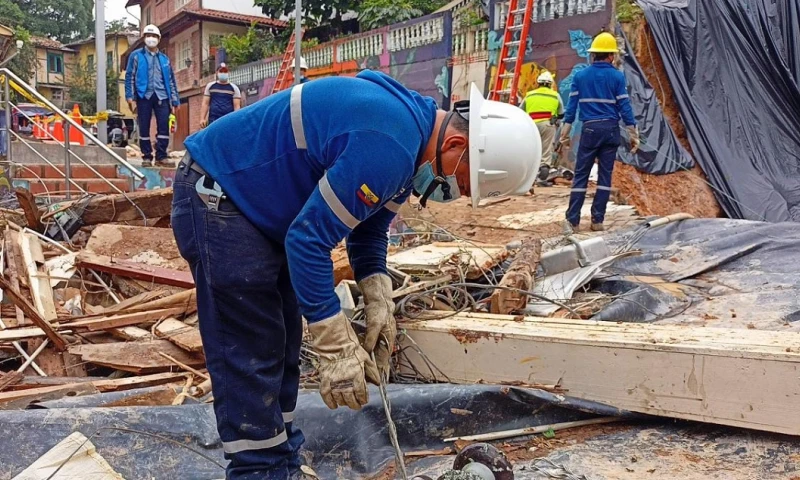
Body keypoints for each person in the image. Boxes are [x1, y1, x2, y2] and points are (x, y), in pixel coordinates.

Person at [171, 71, 539, 479]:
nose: (454, 194)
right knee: (252, 348)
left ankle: (281, 463)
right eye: (463, 184)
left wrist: (378, 295)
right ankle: (259, 470)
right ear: (455, 145)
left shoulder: (410, 139)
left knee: (283, 340)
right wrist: (335, 346)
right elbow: (307, 241)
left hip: (255, 206)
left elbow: (370, 230)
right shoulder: (389, 145)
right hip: (220, 196)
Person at [559, 32, 639, 233]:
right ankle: (597, 221)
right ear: (611, 55)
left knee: (581, 175)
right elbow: (625, 107)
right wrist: (633, 133)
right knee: (605, 177)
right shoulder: (617, 76)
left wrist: (564, 134)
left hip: (590, 130)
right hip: (611, 130)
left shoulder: (580, 77)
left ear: (594, 54)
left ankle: (573, 221)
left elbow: (571, 108)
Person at [124, 24, 180, 167]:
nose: (151, 39)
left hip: (162, 96)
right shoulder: (136, 56)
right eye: (148, 36)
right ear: (144, 38)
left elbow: (171, 80)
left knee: (163, 127)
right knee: (144, 126)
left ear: (159, 39)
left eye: (154, 36)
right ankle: (147, 156)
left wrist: (175, 100)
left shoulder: (165, 59)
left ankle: (161, 156)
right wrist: (130, 97)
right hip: (143, 95)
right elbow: (130, 76)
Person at [520, 71, 563, 168]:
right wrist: (555, 117)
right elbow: (561, 114)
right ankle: (543, 171)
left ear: (538, 83)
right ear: (550, 84)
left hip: (531, 126)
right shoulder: (555, 95)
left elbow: (520, 111)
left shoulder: (529, 94)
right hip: (547, 125)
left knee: (531, 151)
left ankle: (529, 171)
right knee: (545, 153)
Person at [200, 63, 241, 128]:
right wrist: (202, 118)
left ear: (228, 73)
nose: (223, 73)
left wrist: (236, 120)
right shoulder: (210, 86)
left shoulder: (234, 88)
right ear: (217, 73)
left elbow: (237, 106)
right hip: (213, 119)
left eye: (225, 71)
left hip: (228, 120)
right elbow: (205, 103)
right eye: (221, 71)